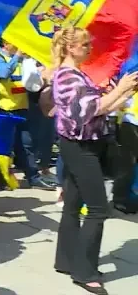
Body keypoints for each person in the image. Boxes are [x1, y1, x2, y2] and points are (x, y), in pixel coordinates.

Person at [51, 27, 138, 295]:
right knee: (98, 209)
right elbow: (92, 110)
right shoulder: (68, 77)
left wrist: (124, 92)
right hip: (80, 147)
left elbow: (104, 106)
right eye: (84, 44)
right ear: (69, 48)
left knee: (73, 205)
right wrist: (121, 89)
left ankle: (66, 261)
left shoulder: (76, 74)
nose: (90, 48)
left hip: (83, 145)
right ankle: (84, 272)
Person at [0, 41, 56, 190]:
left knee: (26, 144)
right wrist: (17, 57)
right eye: (16, 44)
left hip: (22, 108)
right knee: (5, 147)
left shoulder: (21, 61)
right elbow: (3, 73)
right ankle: (3, 178)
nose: (20, 48)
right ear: (6, 44)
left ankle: (33, 177)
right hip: (4, 110)